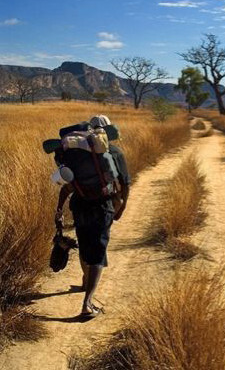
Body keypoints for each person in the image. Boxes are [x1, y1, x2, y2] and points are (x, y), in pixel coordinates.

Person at [54, 114, 130, 318]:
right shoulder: (113, 152)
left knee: (85, 242)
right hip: (102, 206)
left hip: (79, 205)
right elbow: (125, 183)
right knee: (98, 250)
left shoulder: (75, 154)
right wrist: (121, 206)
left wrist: (59, 209)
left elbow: (67, 186)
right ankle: (87, 303)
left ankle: (85, 281)